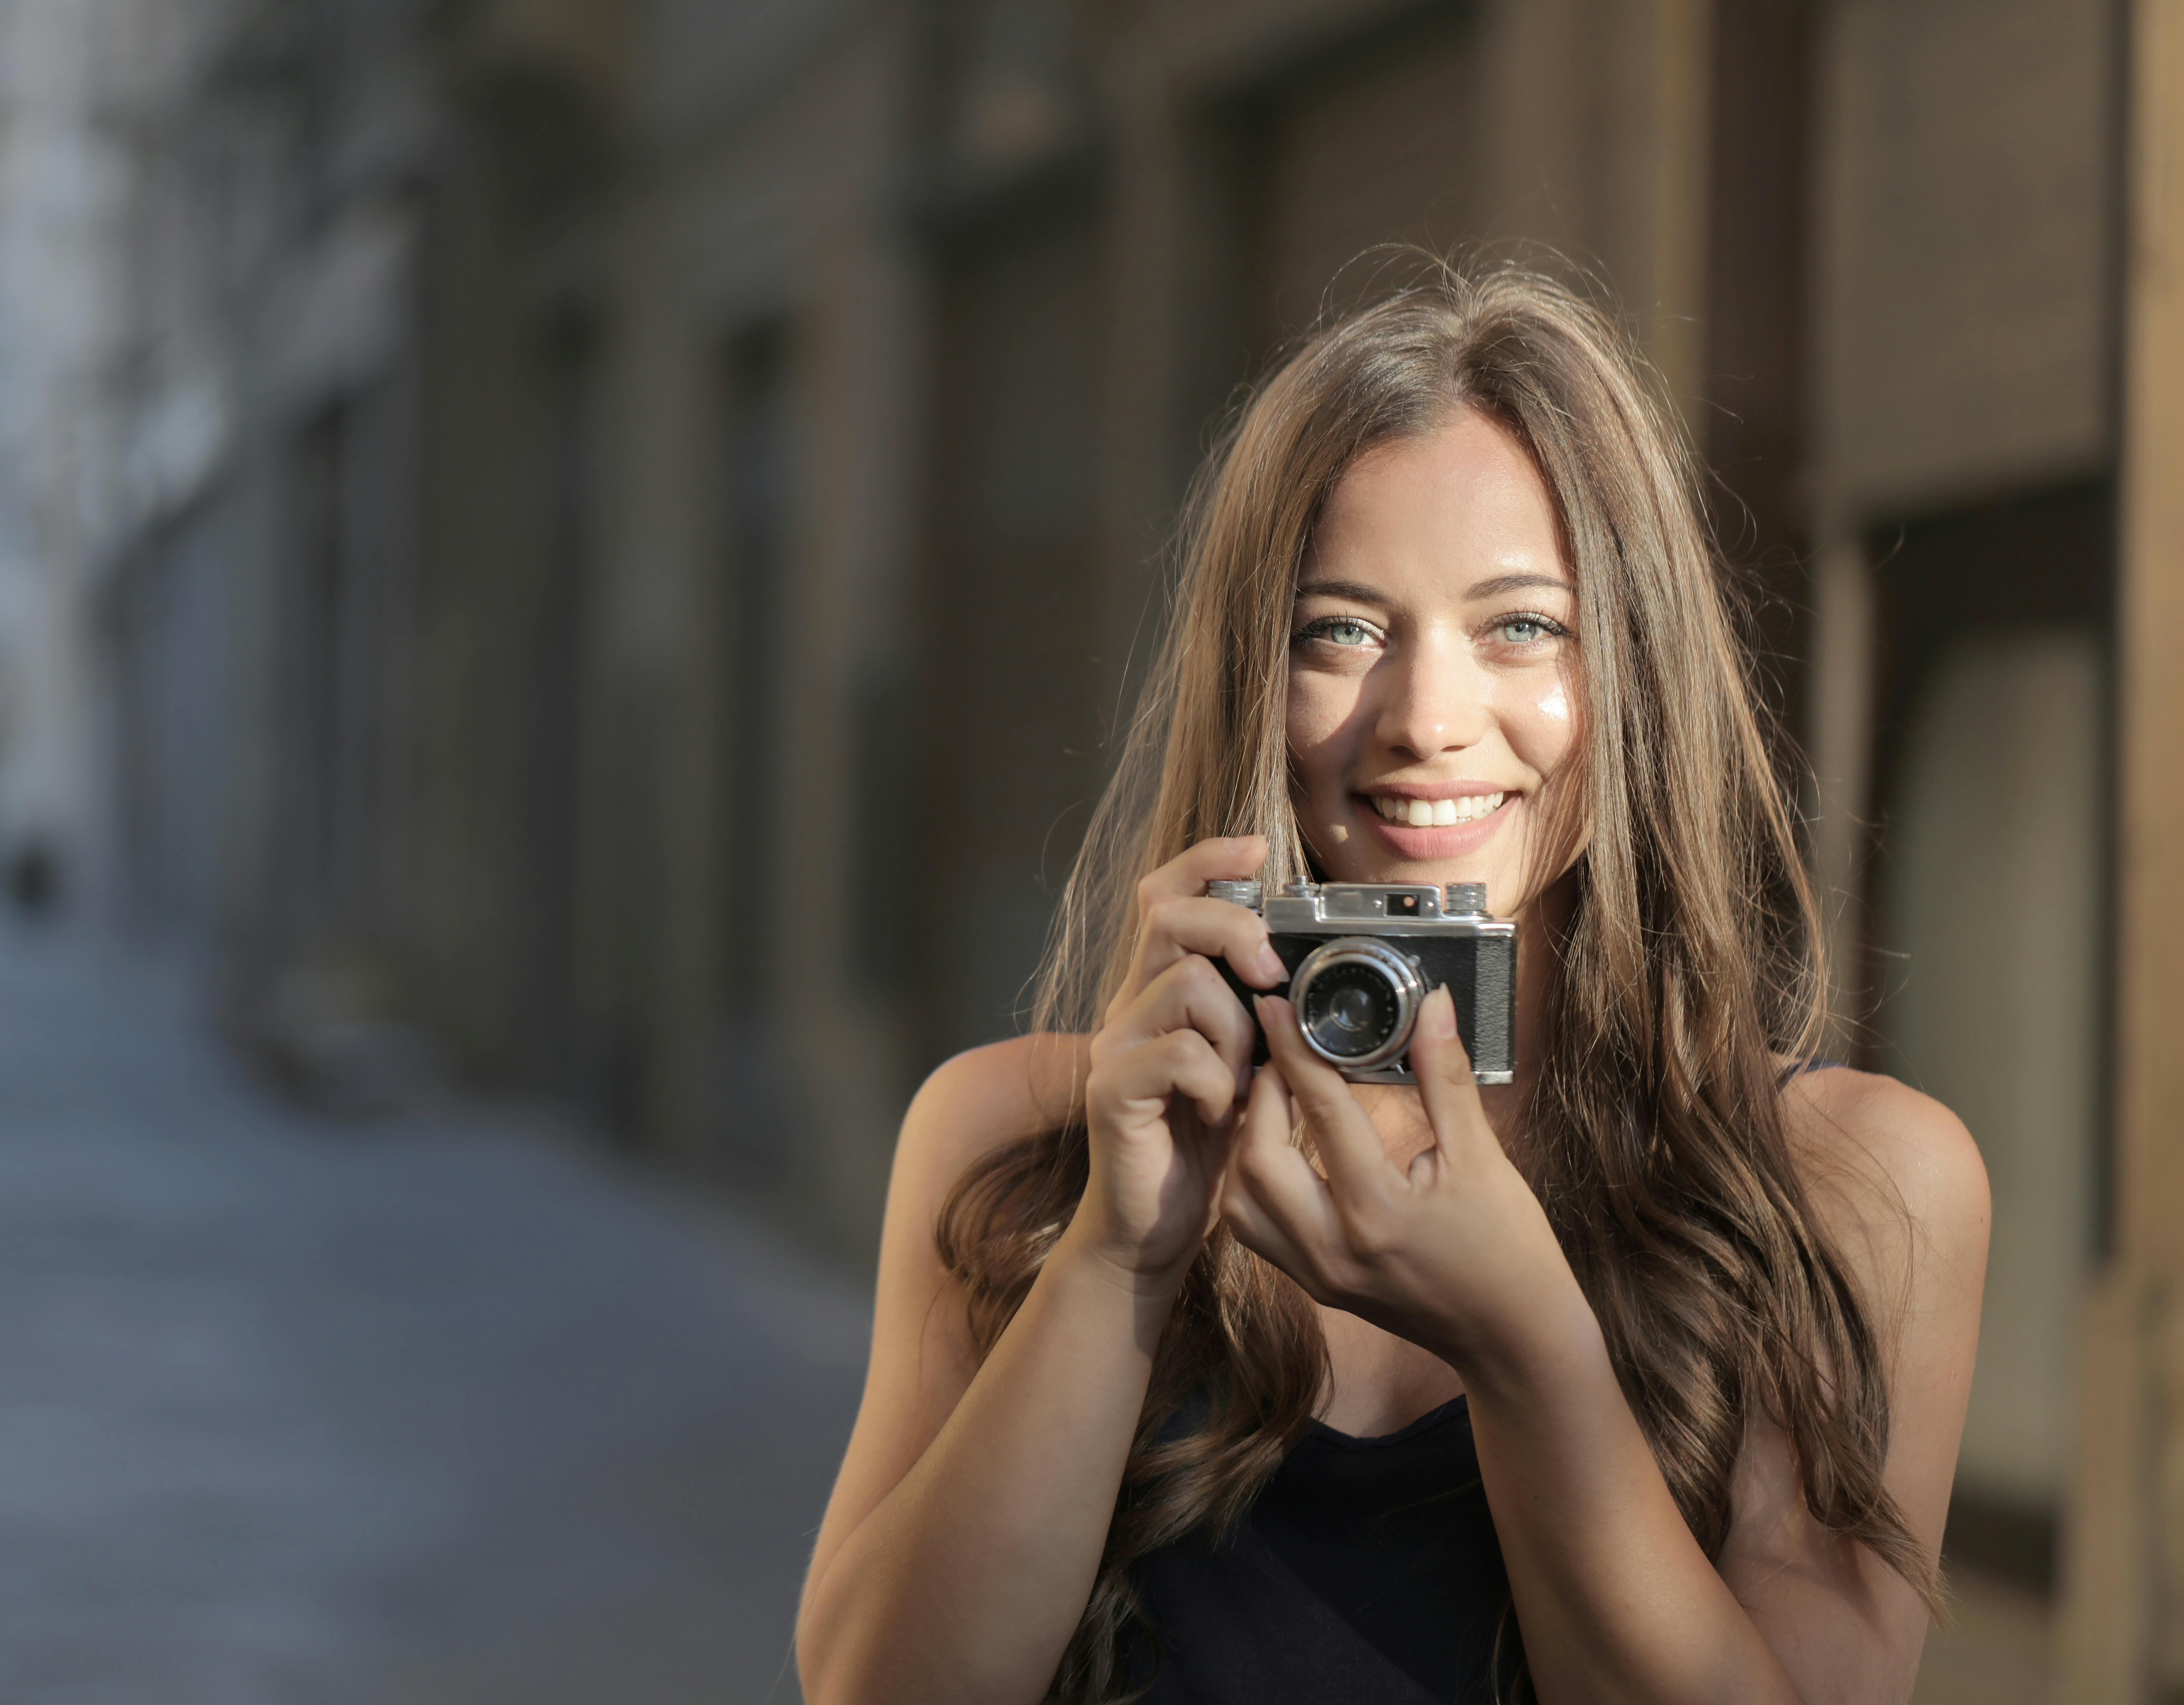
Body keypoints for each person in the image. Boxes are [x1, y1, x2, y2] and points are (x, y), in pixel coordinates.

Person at [792, 264, 1989, 1704]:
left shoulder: (1851, 1183)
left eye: (1522, 626)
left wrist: (1529, 1349)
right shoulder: (1018, 1138)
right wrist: (1116, 1255)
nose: (1425, 717)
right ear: (1257, 671)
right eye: (1342, 629)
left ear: (1637, 669)